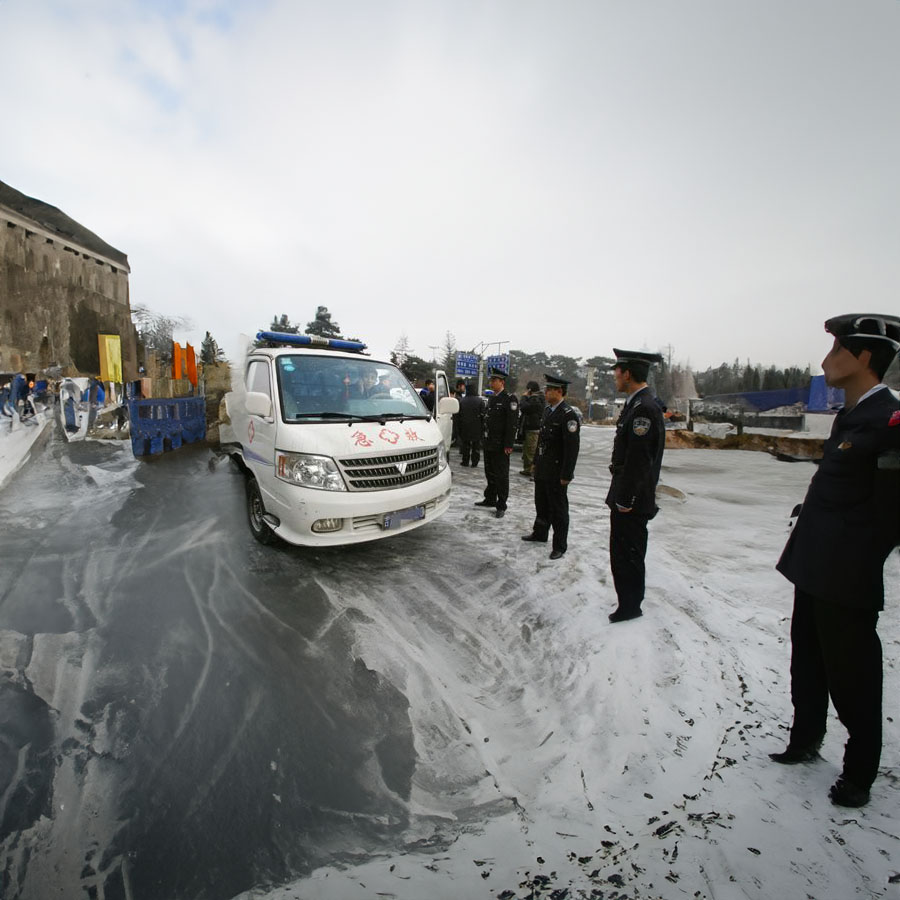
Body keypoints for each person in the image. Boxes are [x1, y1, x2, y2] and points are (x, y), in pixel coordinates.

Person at [770, 313, 900, 808]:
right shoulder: (851, 414)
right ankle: (805, 739)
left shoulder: (890, 422)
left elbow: (891, 516)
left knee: (854, 675)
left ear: (863, 357)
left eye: (837, 349)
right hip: (816, 564)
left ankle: (859, 771)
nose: (827, 359)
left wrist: (852, 558)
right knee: (807, 658)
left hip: (845, 576)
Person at [605, 349, 665, 623]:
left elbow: (640, 460)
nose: (615, 376)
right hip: (626, 494)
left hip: (632, 499)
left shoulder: (644, 409)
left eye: (617, 371)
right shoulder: (636, 404)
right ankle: (627, 601)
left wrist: (626, 498)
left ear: (627, 373)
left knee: (628, 552)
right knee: (622, 550)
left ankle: (630, 606)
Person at [522, 374, 580, 559]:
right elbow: (541, 441)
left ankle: (560, 545)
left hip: (557, 472)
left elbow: (572, 449)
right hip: (543, 468)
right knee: (542, 504)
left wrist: (567, 474)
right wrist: (535, 464)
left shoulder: (568, 415)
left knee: (558, 510)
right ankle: (540, 533)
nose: (546, 393)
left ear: (559, 391)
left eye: (549, 390)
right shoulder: (548, 411)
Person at [474, 368, 518, 518]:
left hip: (500, 445)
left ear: (502, 382)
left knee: (501, 475)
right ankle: (490, 498)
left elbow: (512, 424)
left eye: (494, 380)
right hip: (489, 442)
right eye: (491, 380)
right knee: (489, 472)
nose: (491, 383)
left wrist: (509, 444)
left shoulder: (509, 399)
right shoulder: (492, 398)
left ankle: (501, 504)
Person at [518, 381, 545, 477]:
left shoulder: (536, 398)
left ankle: (531, 470)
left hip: (533, 428)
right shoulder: (537, 398)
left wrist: (524, 397)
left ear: (530, 389)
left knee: (531, 450)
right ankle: (527, 468)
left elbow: (524, 407)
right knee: (527, 450)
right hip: (530, 427)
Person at [457, 382, 484, 467]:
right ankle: (474, 462)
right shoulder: (480, 401)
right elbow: (483, 415)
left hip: (465, 427)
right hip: (477, 427)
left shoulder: (462, 401)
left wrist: (459, 428)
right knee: (476, 446)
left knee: (465, 445)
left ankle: (465, 461)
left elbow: (458, 415)